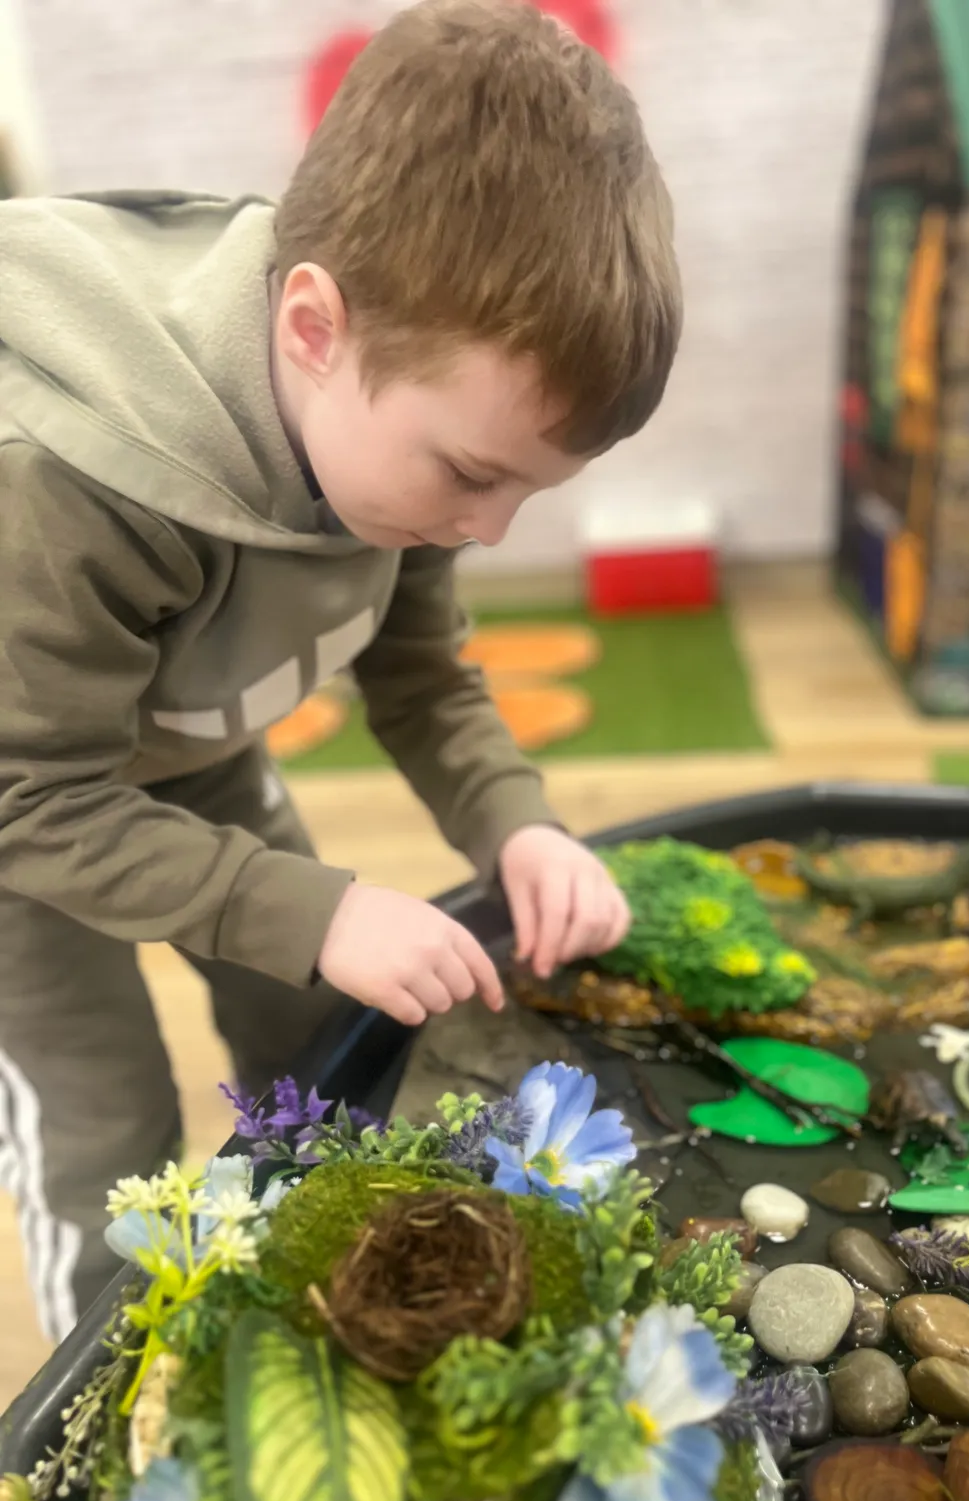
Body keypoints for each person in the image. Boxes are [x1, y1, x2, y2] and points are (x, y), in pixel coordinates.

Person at [0, 0, 681, 1340]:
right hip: (24, 819)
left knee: (313, 1022)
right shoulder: (62, 488)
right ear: (314, 327)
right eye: (474, 476)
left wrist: (517, 823)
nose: (489, 530)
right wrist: (315, 906)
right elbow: (32, 801)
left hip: (186, 756)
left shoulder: (393, 437)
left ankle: (312, 1281)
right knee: (110, 1123)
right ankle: (101, 1419)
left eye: (529, 493)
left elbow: (422, 673)